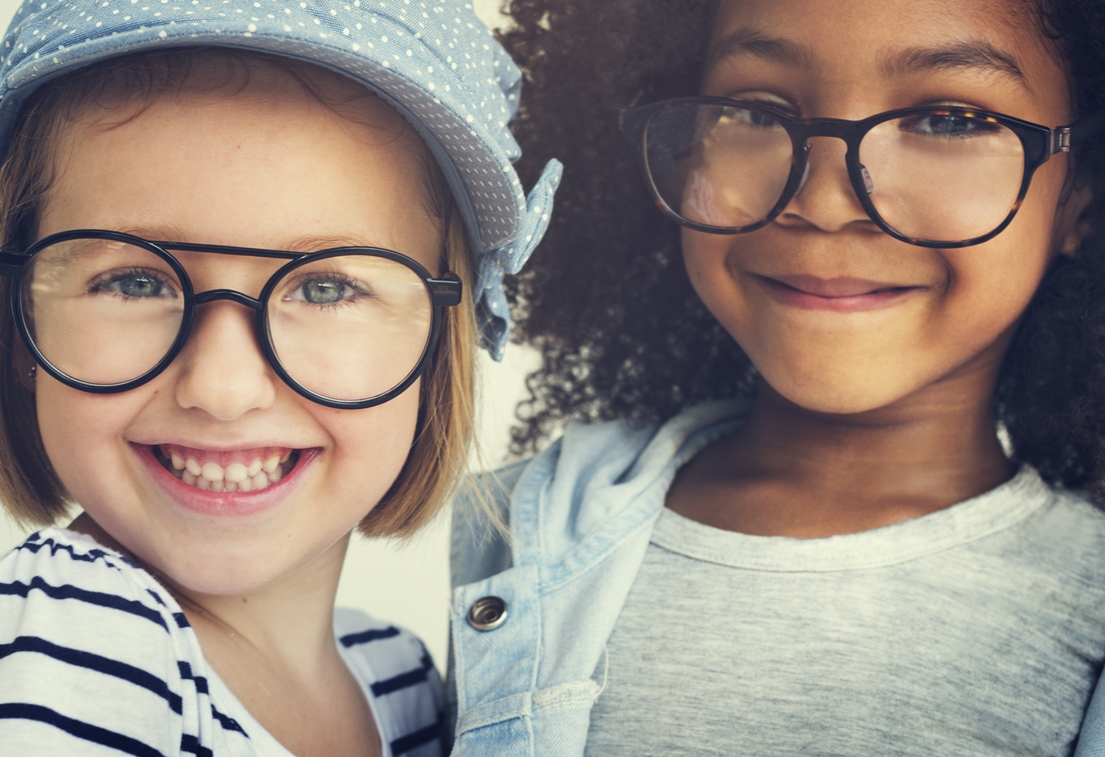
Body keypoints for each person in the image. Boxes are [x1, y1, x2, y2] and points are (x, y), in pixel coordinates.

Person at [448, 0, 1105, 754]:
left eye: (948, 120)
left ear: (1080, 189)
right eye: (752, 110)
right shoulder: (507, 524)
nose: (824, 201)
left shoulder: (1086, 601)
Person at [0, 1, 560, 755]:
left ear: (440, 344)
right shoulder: (73, 641)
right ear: (19, 325)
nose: (223, 387)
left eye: (324, 287)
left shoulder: (403, 678)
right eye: (134, 282)